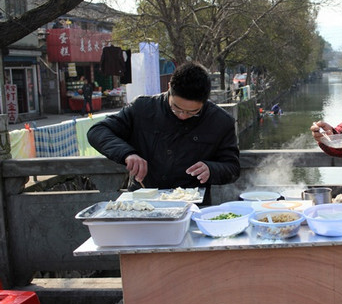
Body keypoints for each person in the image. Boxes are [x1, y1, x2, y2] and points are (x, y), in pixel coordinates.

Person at [87, 62, 240, 205]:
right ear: (169, 88)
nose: (182, 115)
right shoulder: (142, 108)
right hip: (143, 202)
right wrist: (127, 154)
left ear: (206, 100)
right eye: (176, 108)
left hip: (191, 206)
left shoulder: (220, 121)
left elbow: (232, 168)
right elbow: (97, 131)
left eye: (192, 112)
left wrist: (211, 169)